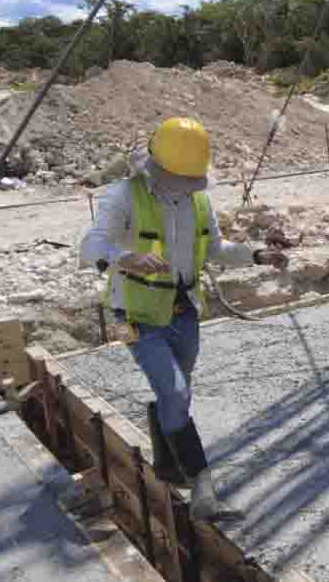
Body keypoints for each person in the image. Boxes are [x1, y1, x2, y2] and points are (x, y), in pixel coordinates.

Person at [80, 117, 288, 523]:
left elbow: (216, 248)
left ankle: (169, 465)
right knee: (174, 392)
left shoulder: (197, 201)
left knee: (178, 394)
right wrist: (127, 257)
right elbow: (91, 245)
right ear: (157, 166)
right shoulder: (124, 193)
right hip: (132, 314)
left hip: (184, 310)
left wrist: (259, 256)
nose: (186, 184)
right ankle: (204, 491)